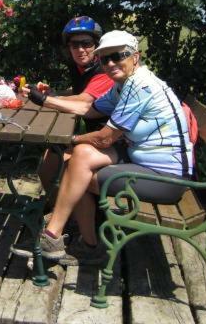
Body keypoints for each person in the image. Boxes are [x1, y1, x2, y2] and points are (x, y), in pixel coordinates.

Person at [12, 30, 193, 264]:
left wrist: (72, 139)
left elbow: (105, 138)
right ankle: (78, 242)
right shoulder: (123, 85)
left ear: (135, 57)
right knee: (80, 157)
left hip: (167, 178)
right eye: (104, 59)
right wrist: (44, 100)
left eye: (117, 56)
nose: (110, 63)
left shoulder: (141, 85)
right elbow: (89, 108)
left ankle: (58, 236)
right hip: (142, 158)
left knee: (76, 169)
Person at [21, 16, 115, 195]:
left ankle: (68, 213)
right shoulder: (82, 67)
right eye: (74, 45)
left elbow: (84, 100)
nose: (80, 49)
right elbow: (78, 91)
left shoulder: (105, 70)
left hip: (110, 139)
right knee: (49, 160)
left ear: (96, 45)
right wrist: (55, 93)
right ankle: (57, 206)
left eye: (86, 43)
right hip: (94, 133)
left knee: (55, 161)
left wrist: (43, 99)